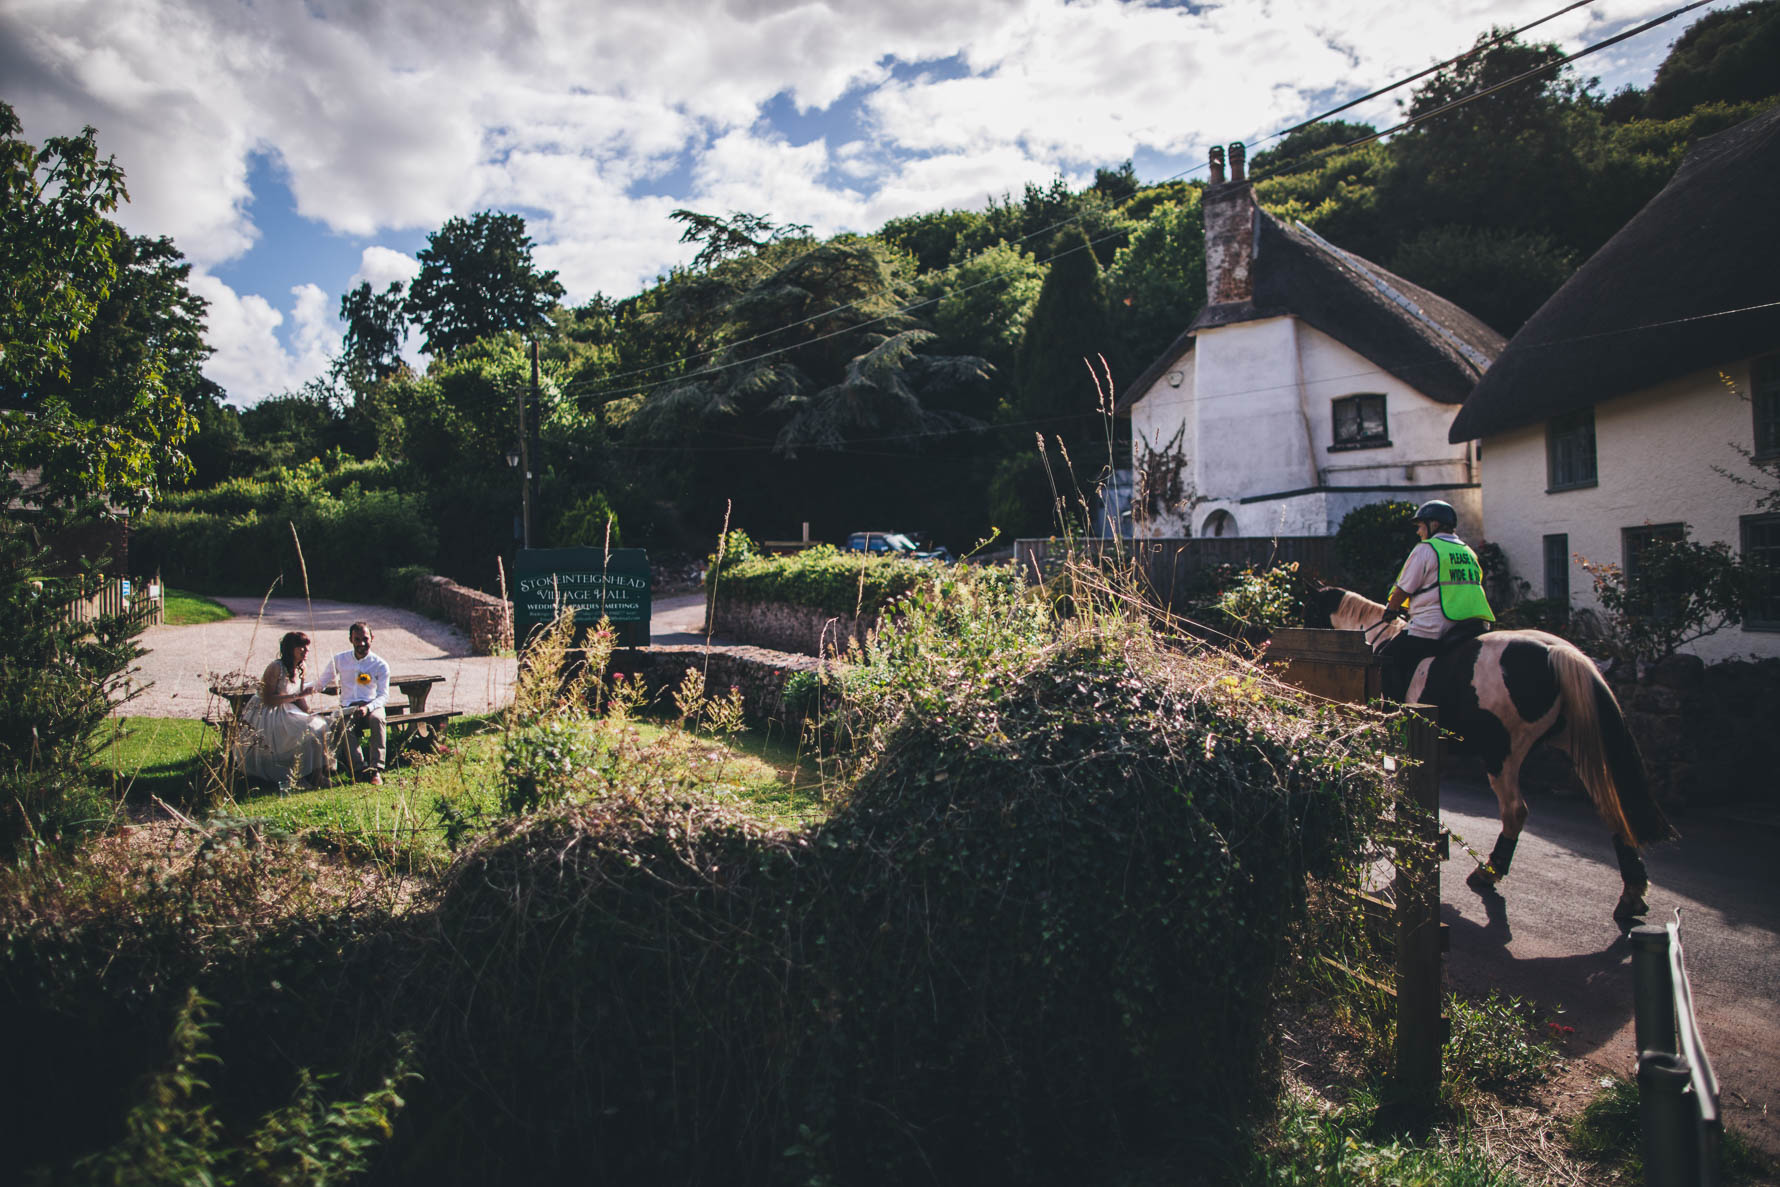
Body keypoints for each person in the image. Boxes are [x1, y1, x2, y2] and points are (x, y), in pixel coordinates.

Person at [1378, 500, 1495, 702]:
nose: (1418, 532)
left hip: (1435, 625)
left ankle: (1393, 716)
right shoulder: (1468, 551)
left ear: (1434, 525)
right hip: (1475, 624)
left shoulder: (1426, 549)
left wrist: (1391, 609)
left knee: (1386, 658)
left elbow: (1403, 589)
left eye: (1421, 527)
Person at [236, 631, 331, 790]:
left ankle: (317, 775)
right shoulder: (276, 667)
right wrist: (296, 696)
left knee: (319, 725)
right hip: (267, 713)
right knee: (302, 731)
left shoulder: (302, 667)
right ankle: (296, 775)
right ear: (290, 648)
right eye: (301, 647)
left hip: (287, 708)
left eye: (307, 647)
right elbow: (268, 699)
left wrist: (308, 712)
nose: (305, 651)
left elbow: (299, 696)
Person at [313, 621, 390, 785]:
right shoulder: (340, 659)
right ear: (351, 640)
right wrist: (298, 687)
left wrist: (367, 707)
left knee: (378, 720)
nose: (362, 644)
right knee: (344, 725)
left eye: (365, 639)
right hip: (348, 706)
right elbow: (321, 683)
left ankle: (376, 769)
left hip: (372, 705)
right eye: (357, 640)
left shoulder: (380, 664)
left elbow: (383, 695)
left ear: (372, 638)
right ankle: (358, 770)